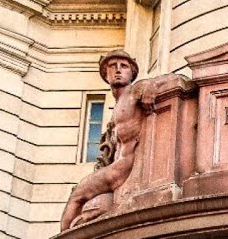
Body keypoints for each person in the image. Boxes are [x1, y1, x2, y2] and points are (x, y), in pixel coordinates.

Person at [60, 50, 156, 231]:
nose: (118, 70)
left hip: (121, 169)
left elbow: (157, 82)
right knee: (85, 204)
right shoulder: (119, 102)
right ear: (106, 73)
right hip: (116, 167)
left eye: (124, 66)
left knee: (77, 196)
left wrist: (148, 87)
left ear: (132, 73)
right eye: (113, 66)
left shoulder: (134, 92)